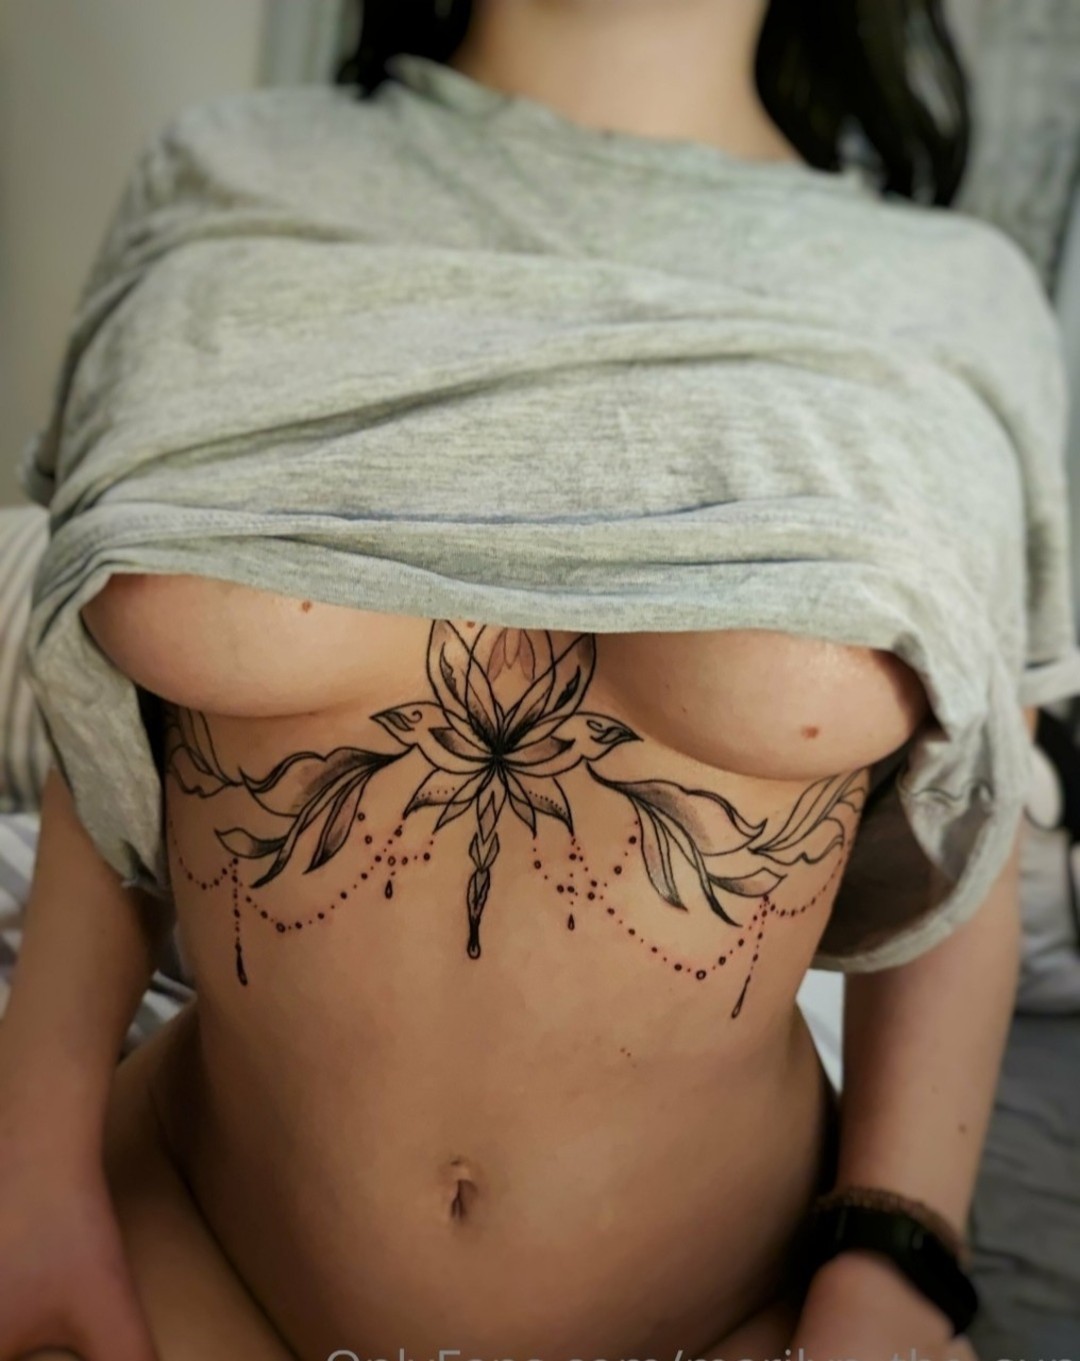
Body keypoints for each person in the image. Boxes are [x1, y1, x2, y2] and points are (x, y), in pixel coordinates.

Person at [2, 1, 1077, 1357]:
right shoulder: (214, 173)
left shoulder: (962, 298)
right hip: (168, 1249)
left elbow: (967, 832)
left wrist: (896, 1260)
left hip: (743, 1314)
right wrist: (31, 1168)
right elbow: (108, 744)